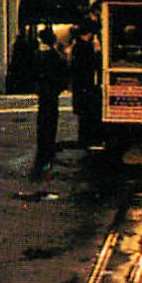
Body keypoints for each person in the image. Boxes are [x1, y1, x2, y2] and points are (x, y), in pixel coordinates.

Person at [31, 28, 68, 179]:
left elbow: (32, 72)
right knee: (51, 117)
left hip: (42, 90)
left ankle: (42, 144)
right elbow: (63, 73)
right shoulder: (55, 56)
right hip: (51, 90)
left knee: (42, 117)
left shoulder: (36, 55)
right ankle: (49, 145)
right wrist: (60, 87)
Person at [69, 21, 102, 150]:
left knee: (83, 115)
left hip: (80, 85)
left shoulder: (77, 46)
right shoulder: (86, 47)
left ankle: (84, 138)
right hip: (86, 85)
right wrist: (98, 52)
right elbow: (94, 64)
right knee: (88, 113)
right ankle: (87, 139)